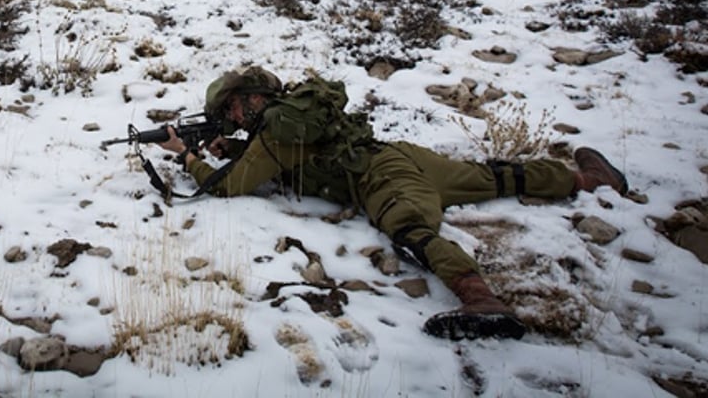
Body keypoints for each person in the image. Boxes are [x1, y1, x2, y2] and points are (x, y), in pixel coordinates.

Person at [158, 66, 629, 340]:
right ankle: (588, 179)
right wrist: (233, 149)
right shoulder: (293, 117)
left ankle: (482, 301)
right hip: (399, 155)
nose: (232, 120)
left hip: (379, 178)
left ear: (254, 99)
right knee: (492, 177)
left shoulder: (278, 132)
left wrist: (189, 157)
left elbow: (230, 187)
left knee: (410, 230)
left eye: (233, 110)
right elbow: (290, 159)